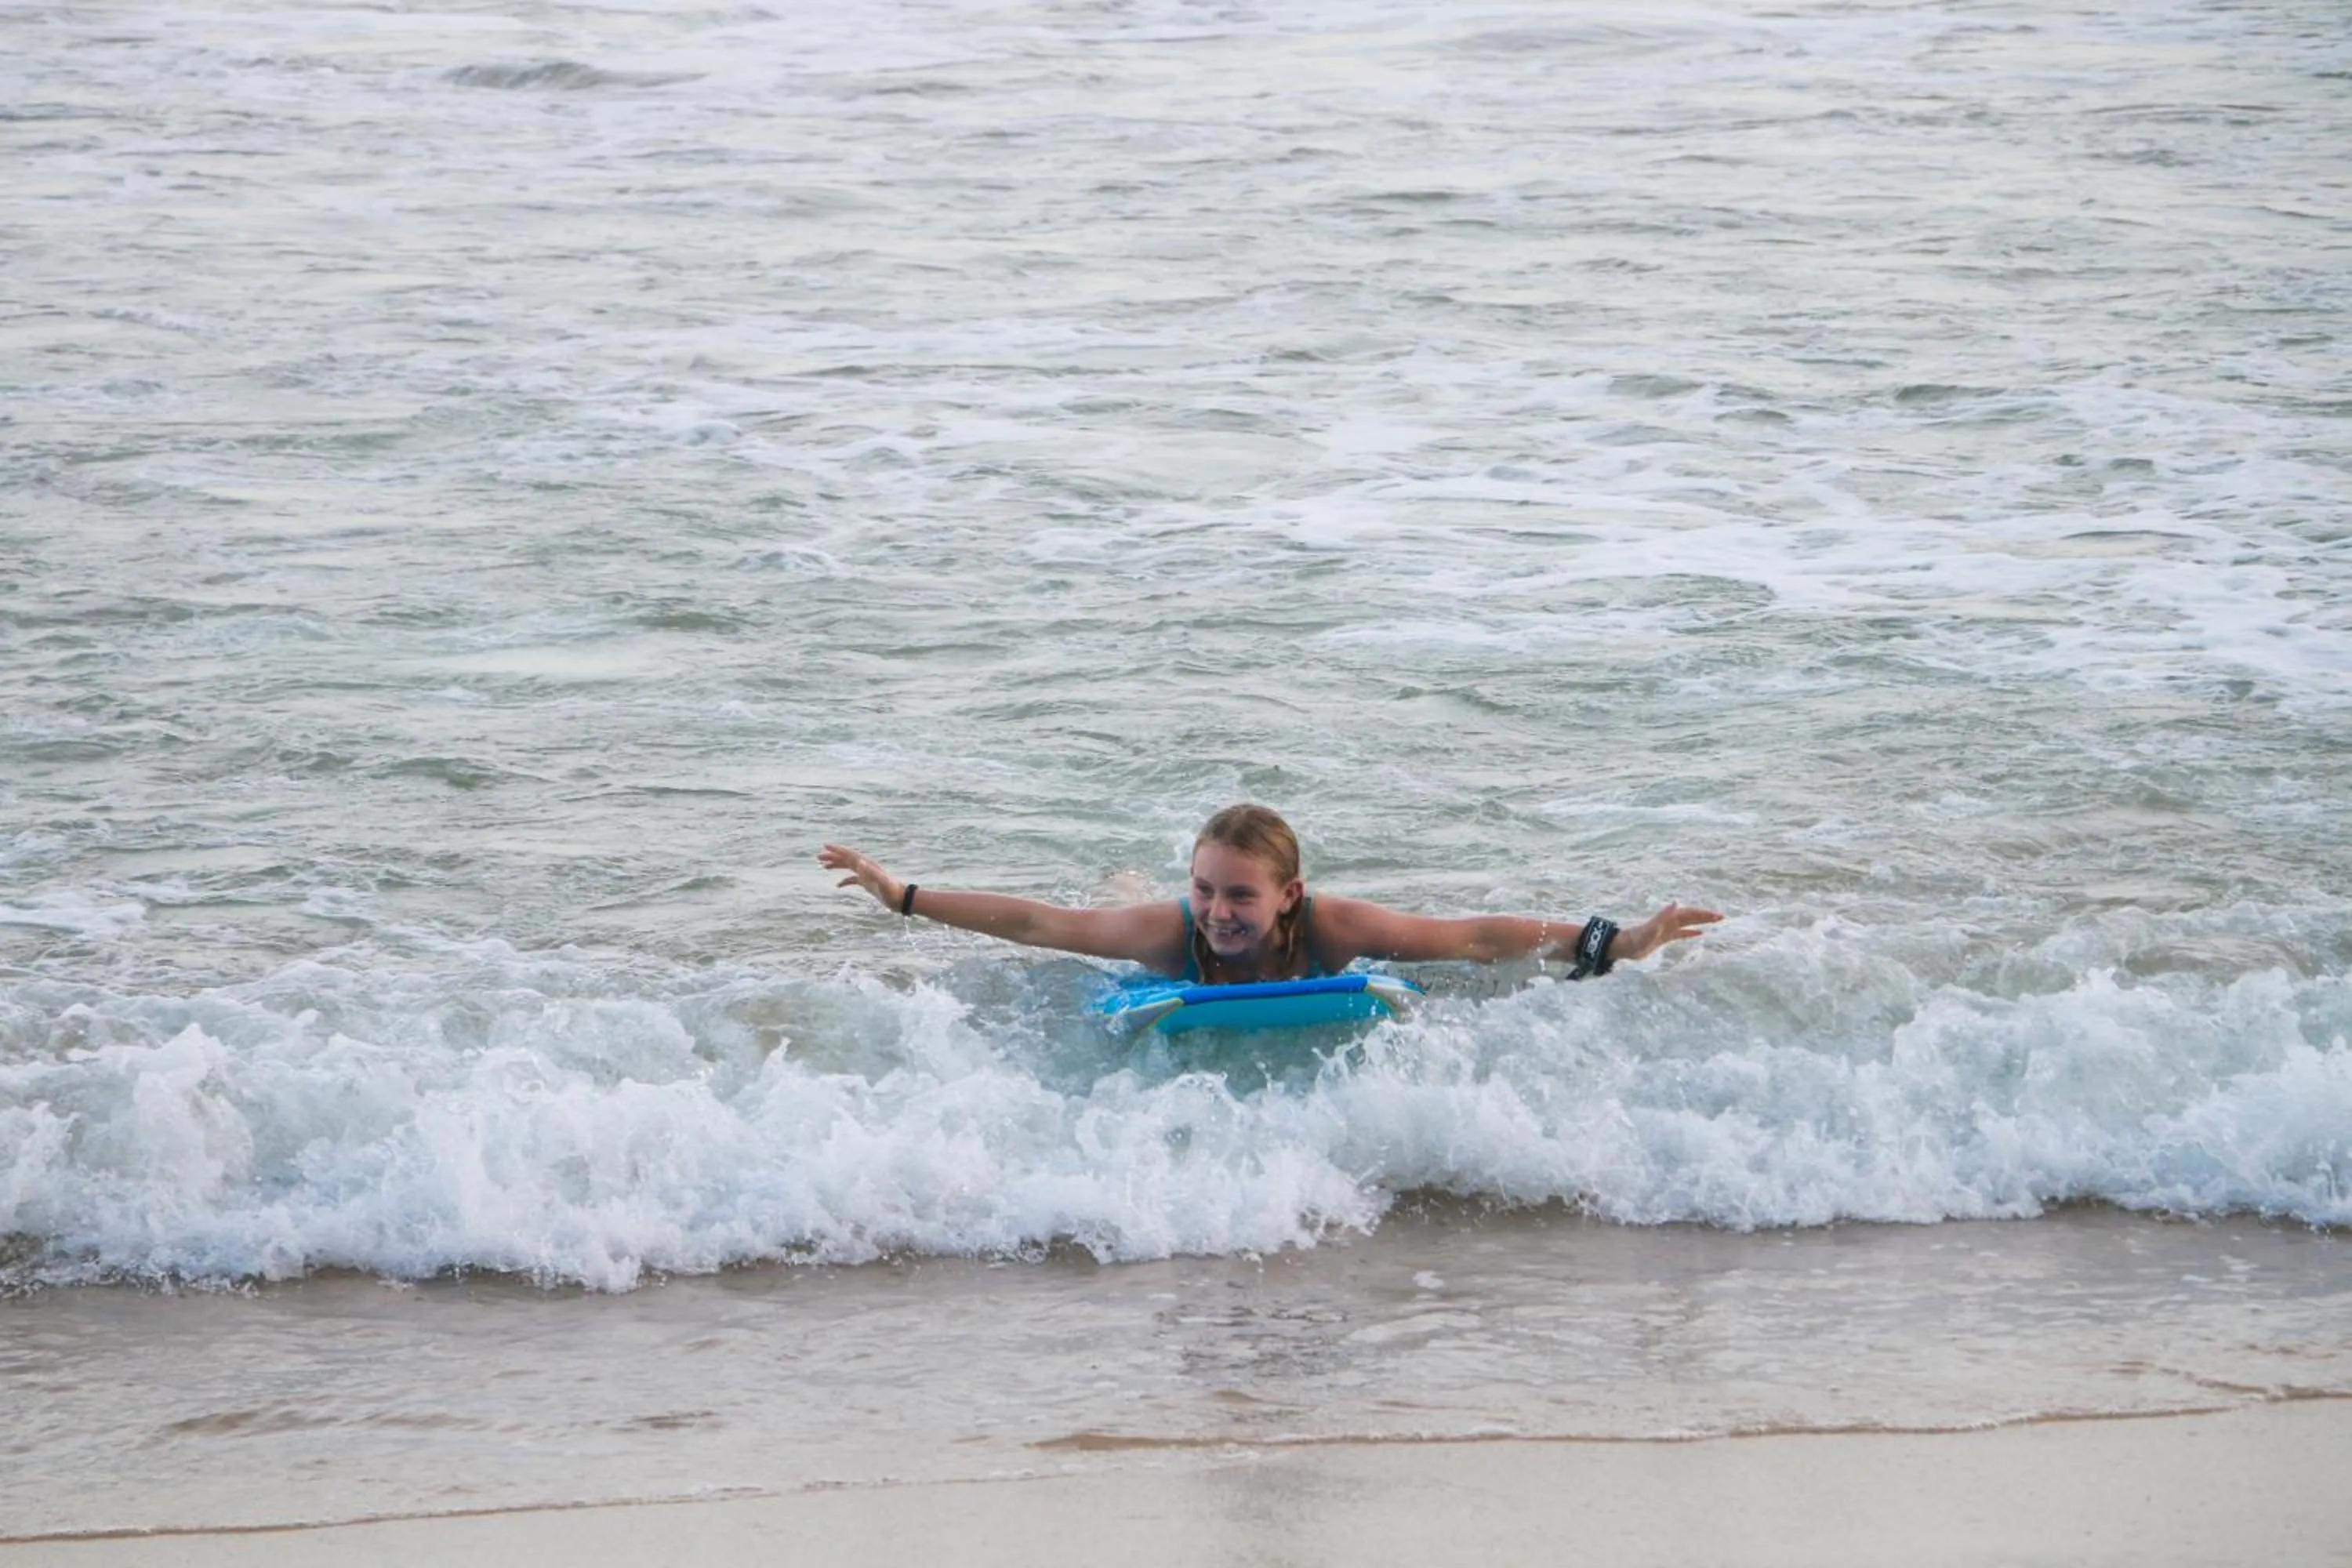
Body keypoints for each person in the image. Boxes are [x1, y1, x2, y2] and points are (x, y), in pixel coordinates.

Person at [819, 804, 1720, 985]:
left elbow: (1475, 939)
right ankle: (1130, 874)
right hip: (1162, 974)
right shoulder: (1169, 934)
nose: (1218, 910)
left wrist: (1622, 941)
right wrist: (902, 895)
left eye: (1241, 896)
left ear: (1289, 894)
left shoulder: (1333, 927)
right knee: (1113, 915)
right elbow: (1036, 922)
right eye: (1206, 888)